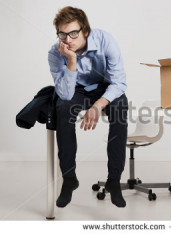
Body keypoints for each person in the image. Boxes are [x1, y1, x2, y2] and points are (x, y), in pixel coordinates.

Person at [48, 6, 128, 208]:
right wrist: (71, 60)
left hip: (105, 87)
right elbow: (65, 93)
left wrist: (98, 105)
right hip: (77, 89)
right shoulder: (56, 53)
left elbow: (119, 82)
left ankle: (114, 180)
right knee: (63, 107)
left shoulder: (105, 40)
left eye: (73, 33)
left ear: (85, 31)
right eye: (62, 34)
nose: (68, 40)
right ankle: (69, 178)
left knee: (120, 108)